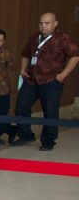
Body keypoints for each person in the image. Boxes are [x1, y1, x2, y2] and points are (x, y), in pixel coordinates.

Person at [12, 12, 78, 151]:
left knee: (50, 111)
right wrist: (23, 70)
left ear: (55, 24)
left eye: (47, 23)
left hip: (51, 80)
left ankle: (48, 141)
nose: (43, 26)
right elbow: (25, 54)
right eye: (41, 23)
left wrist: (62, 75)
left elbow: (75, 56)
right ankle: (25, 134)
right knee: (21, 106)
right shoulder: (33, 37)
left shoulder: (63, 38)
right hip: (31, 79)